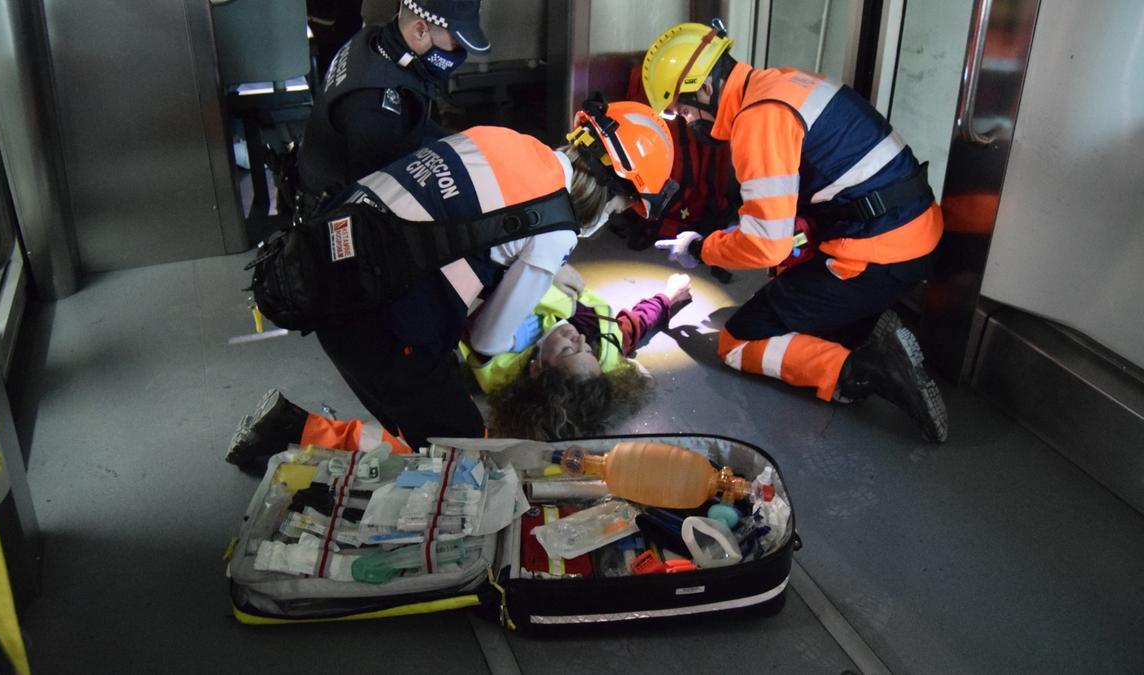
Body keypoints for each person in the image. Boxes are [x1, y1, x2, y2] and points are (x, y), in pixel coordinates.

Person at [226, 100, 677, 466]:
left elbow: (460, 220)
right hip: (374, 321)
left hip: (330, 261)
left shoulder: (502, 139)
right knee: (465, 454)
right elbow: (486, 342)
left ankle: (289, 430)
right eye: (620, 208)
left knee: (426, 431)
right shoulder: (555, 229)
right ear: (613, 188)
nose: (612, 217)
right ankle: (291, 437)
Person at [643, 22, 948, 442]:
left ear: (707, 89)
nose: (687, 120)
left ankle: (865, 371)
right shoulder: (783, 83)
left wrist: (702, 248)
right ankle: (865, 322)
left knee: (738, 340)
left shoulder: (758, 120)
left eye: (683, 108)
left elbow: (765, 244)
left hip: (877, 254)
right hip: (914, 232)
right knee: (787, 286)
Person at [296, 0, 490, 202]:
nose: (458, 51)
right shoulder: (375, 108)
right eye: (456, 40)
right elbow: (378, 203)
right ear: (420, 30)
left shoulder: (374, 40)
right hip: (340, 207)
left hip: (350, 163)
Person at [464, 273, 693, 441]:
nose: (581, 339)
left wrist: (547, 272)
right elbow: (632, 328)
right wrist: (669, 296)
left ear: (536, 368)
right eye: (587, 350)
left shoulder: (494, 347)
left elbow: (480, 280)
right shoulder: (600, 351)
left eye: (568, 350)